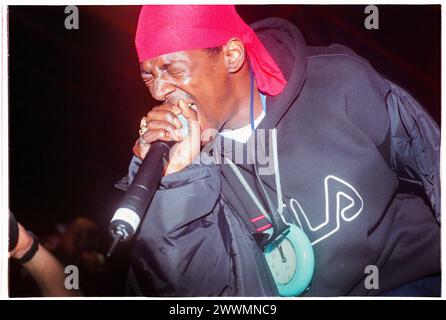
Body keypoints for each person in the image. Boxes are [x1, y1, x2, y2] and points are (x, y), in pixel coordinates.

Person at [118, 5, 440, 296]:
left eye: (171, 68)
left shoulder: (336, 80)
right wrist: (176, 185)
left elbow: (430, 155)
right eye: (149, 75)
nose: (158, 90)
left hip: (405, 280)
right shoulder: (186, 165)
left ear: (232, 55)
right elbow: (211, 296)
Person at [9, 212, 83, 297]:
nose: (64, 235)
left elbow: (70, 295)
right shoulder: (61, 251)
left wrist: (26, 248)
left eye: (68, 232)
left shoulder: (78, 265)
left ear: (76, 238)